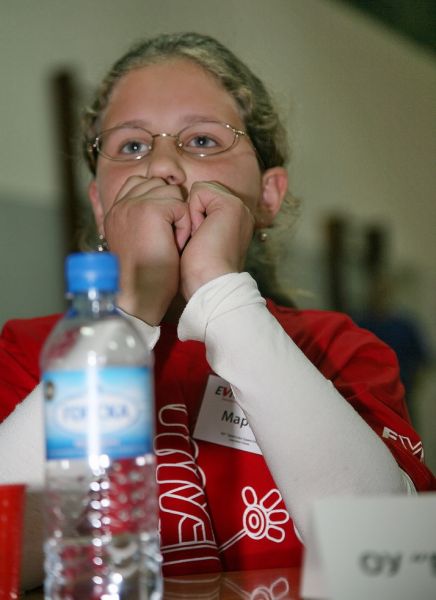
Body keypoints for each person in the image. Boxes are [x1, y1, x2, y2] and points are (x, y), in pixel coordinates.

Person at [0, 32, 434, 590]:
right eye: (131, 147)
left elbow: (390, 558)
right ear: (101, 206)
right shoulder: (31, 353)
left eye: (202, 140)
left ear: (268, 196)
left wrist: (222, 294)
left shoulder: (337, 349)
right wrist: (127, 310)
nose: (163, 167)